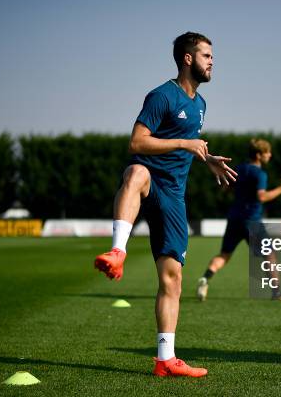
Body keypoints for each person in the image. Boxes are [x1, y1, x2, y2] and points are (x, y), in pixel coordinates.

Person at [93, 32, 237, 377]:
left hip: (174, 196)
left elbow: (186, 146)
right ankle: (117, 251)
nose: (212, 61)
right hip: (149, 182)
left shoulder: (200, 105)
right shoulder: (161, 96)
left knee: (172, 280)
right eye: (206, 55)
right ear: (188, 59)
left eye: (212, 56)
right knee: (135, 171)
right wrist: (186, 143)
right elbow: (137, 141)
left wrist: (205, 158)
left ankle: (165, 360)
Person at [196, 138, 281, 302]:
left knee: (224, 255)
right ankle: (277, 292)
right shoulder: (260, 174)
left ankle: (206, 278)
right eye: (267, 152)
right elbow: (262, 197)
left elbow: (226, 186)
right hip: (252, 221)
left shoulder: (239, 168)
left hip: (235, 219)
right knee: (269, 255)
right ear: (258, 155)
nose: (270, 155)